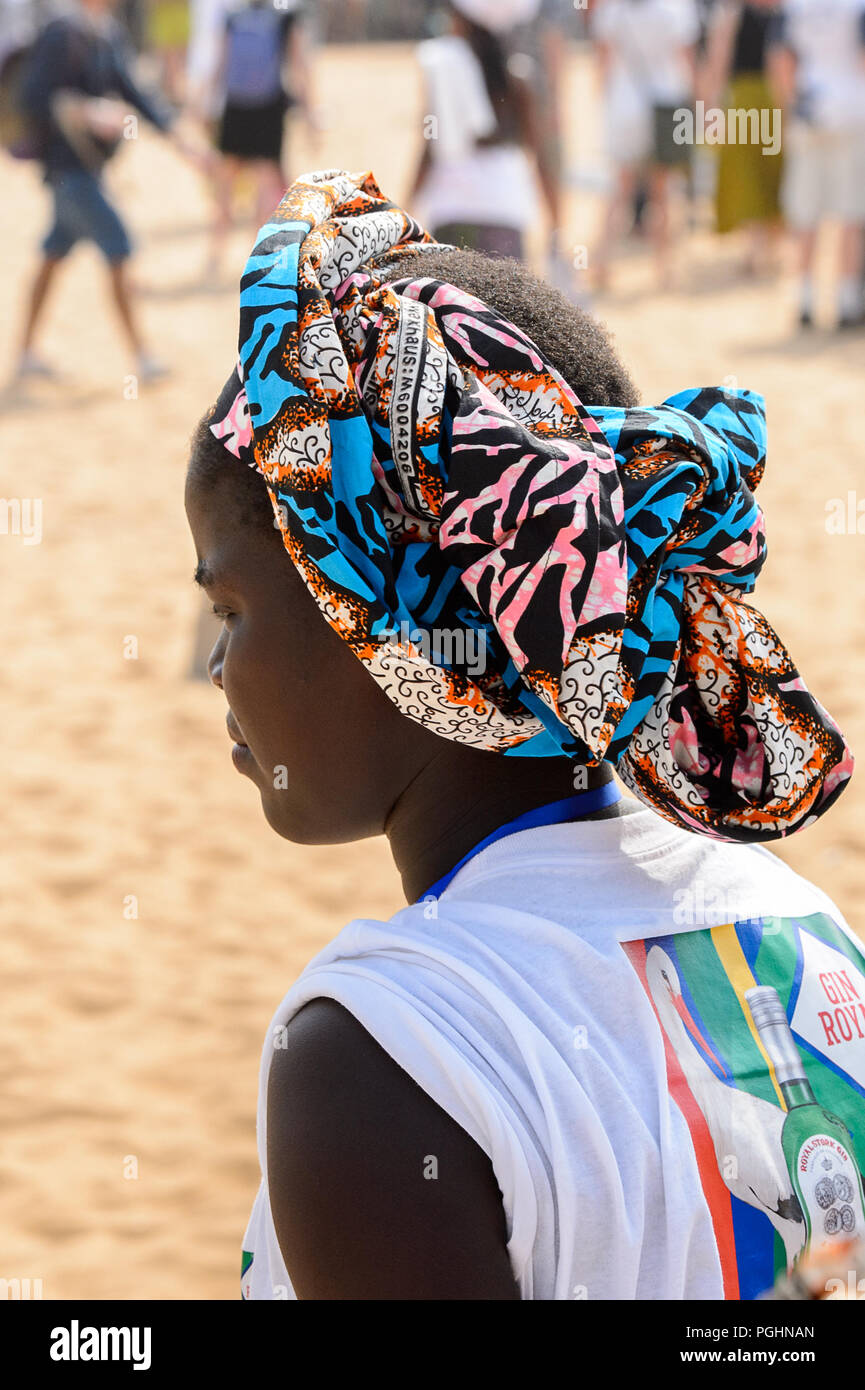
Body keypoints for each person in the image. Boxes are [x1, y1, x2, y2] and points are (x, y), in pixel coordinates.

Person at [186, 170, 860, 1301]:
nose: (217, 667)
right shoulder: (806, 933)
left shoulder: (384, 1055)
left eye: (231, 611)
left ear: (388, 631)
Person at [14, 0, 199, 381]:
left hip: (89, 171)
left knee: (53, 254)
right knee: (119, 246)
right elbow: (31, 97)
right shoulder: (60, 34)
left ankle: (26, 352)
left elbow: (137, 94)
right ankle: (143, 358)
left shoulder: (107, 34)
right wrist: (85, 110)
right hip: (67, 173)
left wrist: (182, 142)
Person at [408, 0, 562, 262]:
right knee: (504, 302)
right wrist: (557, 222)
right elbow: (542, 155)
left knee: (453, 301)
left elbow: (430, 149)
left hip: (451, 208)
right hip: (505, 207)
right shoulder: (519, 75)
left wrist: (406, 208)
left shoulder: (442, 67)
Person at [768, 0, 865, 329]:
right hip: (852, 110)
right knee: (850, 213)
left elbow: (781, 62)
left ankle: (805, 300)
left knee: (806, 215)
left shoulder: (795, 7)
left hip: (809, 108)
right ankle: (847, 301)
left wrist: (791, 106)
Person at [591, 0, 700, 290]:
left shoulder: (610, 11)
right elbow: (686, 60)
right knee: (662, 193)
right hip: (666, 105)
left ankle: (601, 265)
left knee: (620, 191)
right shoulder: (677, 10)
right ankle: (664, 269)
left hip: (624, 106)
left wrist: (606, 104)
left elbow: (602, 64)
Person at [204, 0, 313, 279]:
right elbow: (299, 67)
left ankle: (215, 257)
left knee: (225, 185)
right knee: (265, 187)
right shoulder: (286, 16)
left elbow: (220, 63)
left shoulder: (234, 16)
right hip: (269, 109)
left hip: (235, 108)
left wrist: (204, 103)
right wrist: (310, 113)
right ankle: (257, 260)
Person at [701, 0, 783, 273]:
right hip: (758, 100)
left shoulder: (741, 12)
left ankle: (761, 248)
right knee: (756, 175)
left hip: (757, 100)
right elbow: (719, 58)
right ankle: (760, 248)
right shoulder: (740, 12)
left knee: (761, 175)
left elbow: (717, 58)